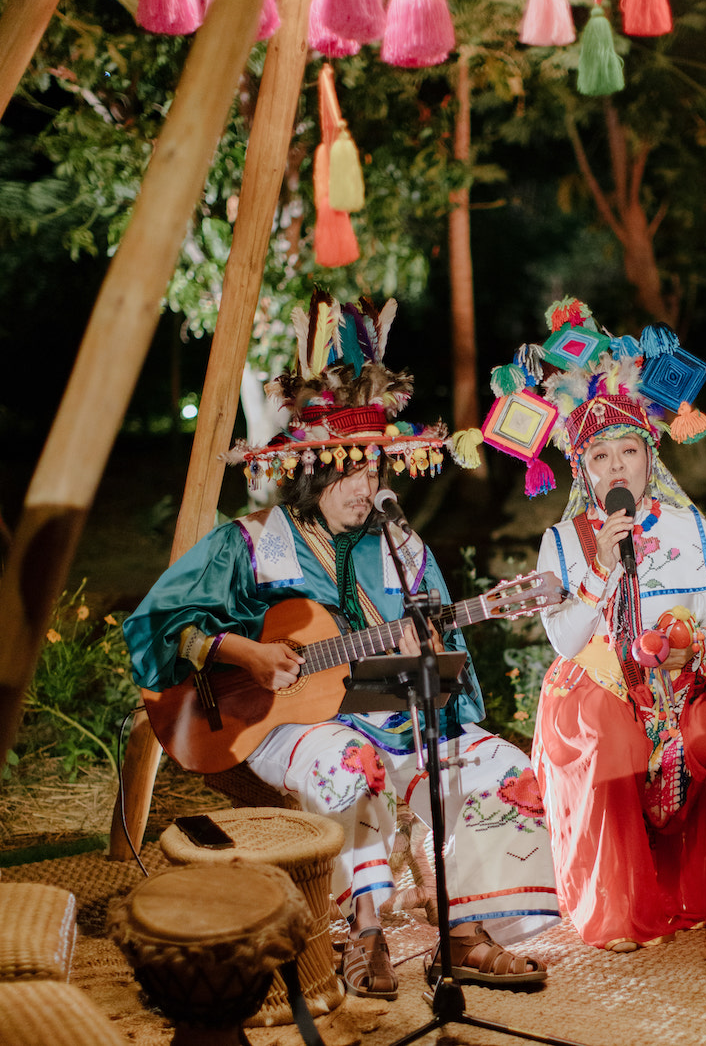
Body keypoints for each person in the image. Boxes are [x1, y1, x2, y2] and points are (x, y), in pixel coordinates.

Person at [124, 293, 560, 999]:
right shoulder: (253, 540)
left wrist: (431, 655)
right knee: (353, 765)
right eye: (353, 472)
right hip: (290, 721)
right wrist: (247, 655)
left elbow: (449, 669)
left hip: (395, 712)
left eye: (376, 473)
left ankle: (465, 930)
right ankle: (364, 929)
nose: (368, 488)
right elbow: (157, 624)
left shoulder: (401, 546)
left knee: (502, 767)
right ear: (315, 471)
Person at [481, 298, 706, 953]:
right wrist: (599, 569)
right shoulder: (563, 542)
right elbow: (566, 641)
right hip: (594, 683)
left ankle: (695, 893)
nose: (616, 466)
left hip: (676, 674)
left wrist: (696, 644)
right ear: (582, 470)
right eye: (601, 457)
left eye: (628, 451)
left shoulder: (687, 526)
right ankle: (618, 909)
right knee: (609, 745)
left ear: (651, 458)